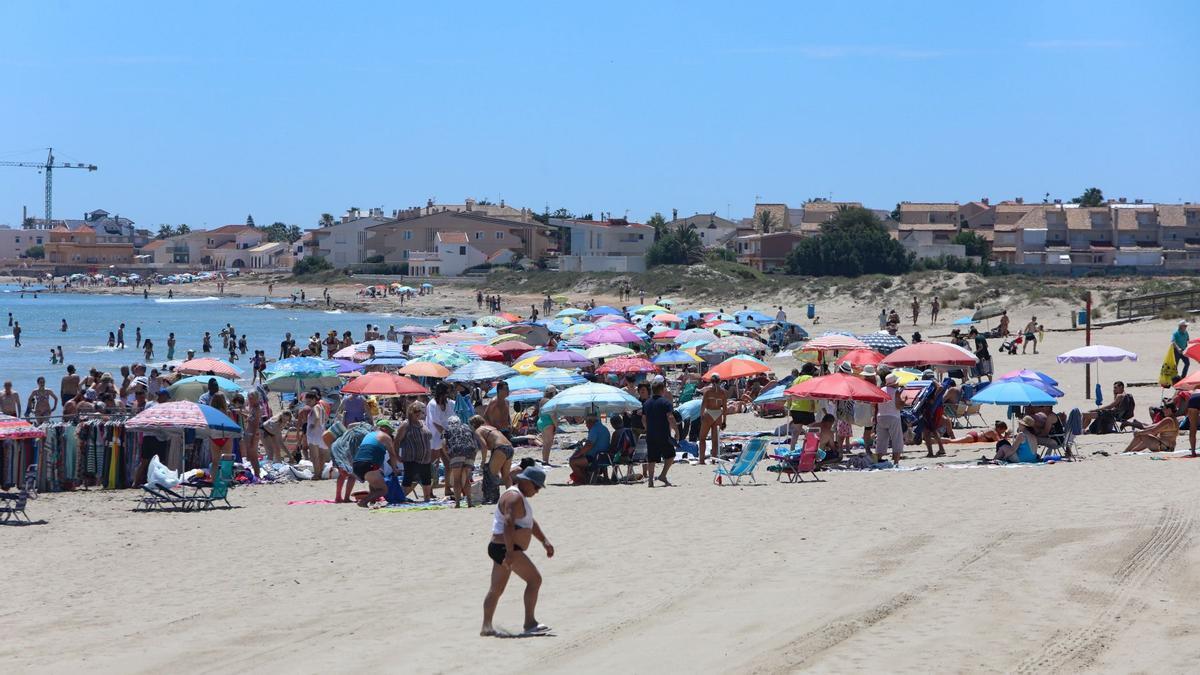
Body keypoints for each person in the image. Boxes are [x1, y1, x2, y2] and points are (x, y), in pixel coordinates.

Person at [481, 466, 553, 637]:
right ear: (526, 482)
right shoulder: (513, 497)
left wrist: (544, 541)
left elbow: (530, 522)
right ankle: (529, 623)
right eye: (536, 487)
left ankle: (486, 627)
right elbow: (508, 524)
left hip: (502, 547)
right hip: (505, 547)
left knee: (496, 589)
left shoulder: (518, 497)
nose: (537, 491)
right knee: (534, 580)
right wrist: (510, 552)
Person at [352, 419, 400, 507]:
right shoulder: (386, 436)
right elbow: (392, 455)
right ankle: (363, 502)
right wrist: (394, 469)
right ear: (384, 429)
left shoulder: (368, 435)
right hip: (368, 464)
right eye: (390, 431)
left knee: (374, 482)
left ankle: (372, 501)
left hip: (356, 464)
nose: (391, 434)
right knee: (383, 490)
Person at [395, 400, 434, 501]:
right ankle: (401, 498)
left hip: (426, 458)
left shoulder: (422, 423)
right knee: (408, 479)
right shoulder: (406, 424)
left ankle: (427, 498)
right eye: (415, 412)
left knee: (427, 479)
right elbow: (397, 441)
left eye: (419, 412)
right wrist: (396, 455)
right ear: (410, 412)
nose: (418, 414)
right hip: (411, 457)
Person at [642, 381, 677, 487]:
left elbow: (643, 419)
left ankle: (651, 480)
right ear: (662, 390)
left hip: (651, 434)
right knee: (671, 455)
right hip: (663, 433)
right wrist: (676, 430)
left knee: (651, 458)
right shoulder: (666, 402)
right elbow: (670, 417)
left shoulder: (647, 403)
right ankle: (663, 475)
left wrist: (647, 428)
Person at [473, 416, 514, 499]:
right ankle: (512, 495)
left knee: (491, 474)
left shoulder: (478, 431)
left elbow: (484, 446)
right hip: (510, 447)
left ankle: (493, 498)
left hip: (500, 449)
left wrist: (483, 461)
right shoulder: (491, 427)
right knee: (506, 475)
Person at [445, 415, 480, 507]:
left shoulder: (447, 429)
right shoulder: (467, 427)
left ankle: (457, 503)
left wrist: (449, 456)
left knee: (456, 479)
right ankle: (469, 502)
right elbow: (475, 442)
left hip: (457, 452)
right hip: (470, 451)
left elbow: (443, 444)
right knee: (467, 479)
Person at [426, 382, 453, 496]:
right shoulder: (432, 404)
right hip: (434, 437)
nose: (449, 394)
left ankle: (447, 488)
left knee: (448, 464)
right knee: (434, 465)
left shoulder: (449, 403)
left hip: (445, 436)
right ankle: (429, 490)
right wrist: (445, 433)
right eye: (447, 392)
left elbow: (452, 417)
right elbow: (435, 422)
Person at [569, 413, 609, 483]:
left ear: (591, 421)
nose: (586, 425)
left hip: (595, 457)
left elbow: (589, 445)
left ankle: (585, 480)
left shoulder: (594, 429)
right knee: (579, 458)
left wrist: (579, 454)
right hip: (604, 456)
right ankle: (589, 477)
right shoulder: (604, 428)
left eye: (586, 422)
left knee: (573, 462)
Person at [874, 373, 905, 463]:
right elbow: (899, 406)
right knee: (897, 439)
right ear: (895, 383)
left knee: (881, 440)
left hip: (881, 417)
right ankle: (896, 461)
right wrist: (904, 401)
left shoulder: (881, 390)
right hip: (893, 417)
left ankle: (878, 459)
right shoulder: (896, 392)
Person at [698, 375, 729, 464]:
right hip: (718, 414)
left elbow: (703, 405)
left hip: (709, 413)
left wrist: (701, 416)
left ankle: (701, 460)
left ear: (711, 381)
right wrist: (724, 421)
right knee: (715, 440)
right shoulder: (722, 393)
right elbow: (725, 408)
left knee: (702, 438)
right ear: (719, 381)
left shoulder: (707, 391)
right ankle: (714, 460)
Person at [787, 363, 817, 454]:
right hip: (806, 407)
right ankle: (809, 448)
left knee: (796, 431)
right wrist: (814, 406)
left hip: (795, 407)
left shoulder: (796, 380)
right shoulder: (810, 378)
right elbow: (811, 393)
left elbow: (791, 392)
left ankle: (792, 449)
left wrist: (789, 405)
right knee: (812, 429)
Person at [918, 370, 946, 458]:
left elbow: (940, 387)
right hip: (935, 408)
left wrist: (934, 398)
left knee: (928, 430)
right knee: (931, 429)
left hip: (934, 408)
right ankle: (939, 449)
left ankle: (933, 451)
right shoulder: (933, 381)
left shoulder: (933, 381)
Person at [303, 391, 329, 480]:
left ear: (314, 399)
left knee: (314, 456)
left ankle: (317, 474)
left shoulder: (315, 407)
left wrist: (314, 425)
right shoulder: (321, 406)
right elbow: (326, 418)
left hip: (314, 434)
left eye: (309, 401)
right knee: (321, 455)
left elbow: (317, 417)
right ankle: (320, 473)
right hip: (321, 432)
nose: (307, 403)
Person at [535, 386, 558, 465]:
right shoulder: (550, 401)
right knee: (548, 443)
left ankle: (544, 460)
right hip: (548, 422)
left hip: (541, 421)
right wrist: (557, 425)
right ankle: (546, 461)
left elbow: (539, 413)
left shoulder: (542, 400)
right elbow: (552, 415)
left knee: (545, 443)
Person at [942, 421, 1009, 444]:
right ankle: (938, 440)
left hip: (974, 435)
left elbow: (1001, 438)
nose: (1003, 432)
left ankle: (939, 440)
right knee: (952, 441)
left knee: (954, 441)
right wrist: (1006, 436)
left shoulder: (995, 431)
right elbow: (999, 441)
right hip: (973, 437)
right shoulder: (993, 432)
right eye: (1003, 431)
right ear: (999, 428)